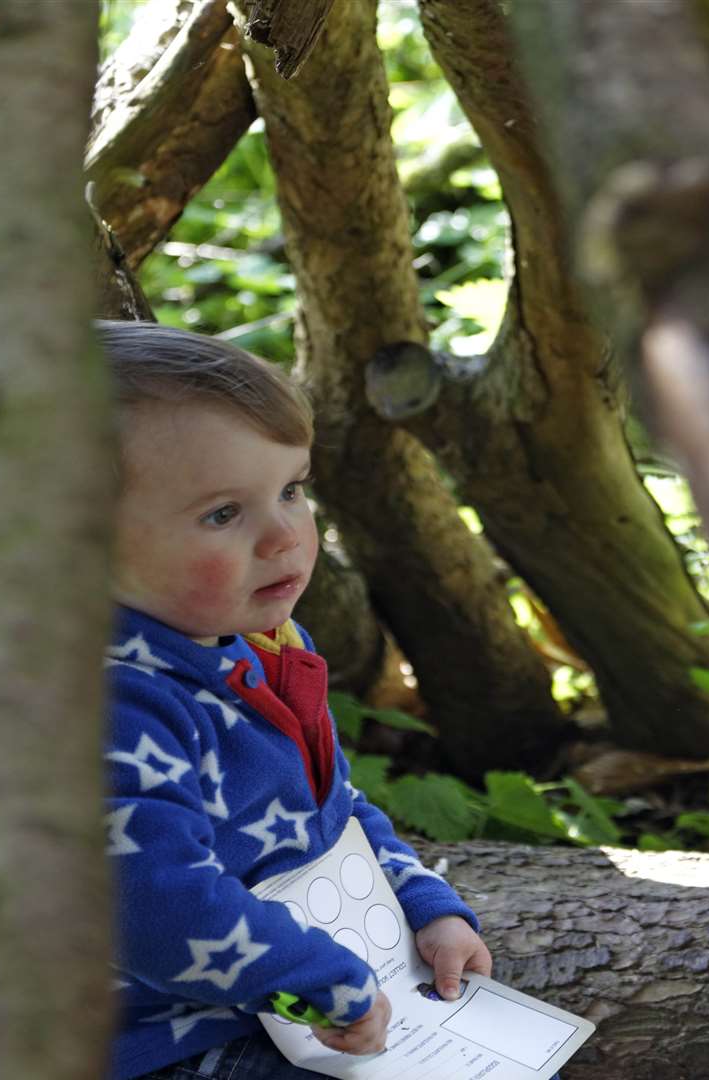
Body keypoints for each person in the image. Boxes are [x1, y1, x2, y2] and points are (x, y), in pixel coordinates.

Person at [96, 321, 489, 1080]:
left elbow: (328, 807)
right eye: (222, 513)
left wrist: (424, 903)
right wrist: (318, 980)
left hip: (289, 997)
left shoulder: (251, 637)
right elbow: (153, 908)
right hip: (172, 1039)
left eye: (291, 490)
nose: (284, 536)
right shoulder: (104, 705)